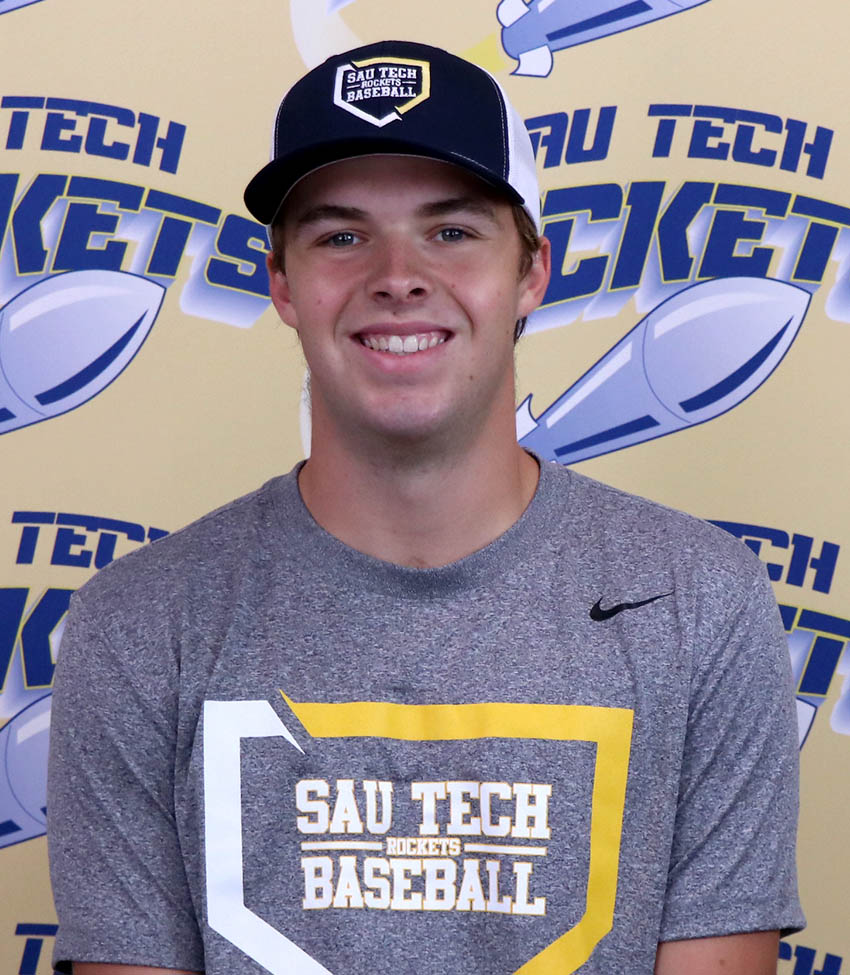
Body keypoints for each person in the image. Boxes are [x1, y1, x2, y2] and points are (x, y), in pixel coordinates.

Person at [47, 39, 804, 975]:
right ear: (282, 282)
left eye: (452, 232)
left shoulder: (697, 603)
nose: (397, 274)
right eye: (340, 234)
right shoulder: (138, 622)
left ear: (532, 272)